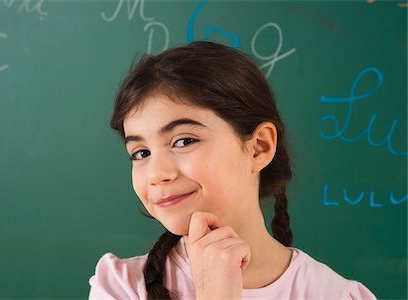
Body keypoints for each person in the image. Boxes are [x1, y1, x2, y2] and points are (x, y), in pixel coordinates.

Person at [88, 41, 376, 300]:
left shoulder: (336, 295)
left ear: (259, 147)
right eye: (141, 153)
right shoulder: (120, 288)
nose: (156, 173)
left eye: (184, 141)